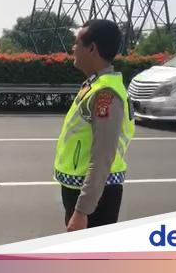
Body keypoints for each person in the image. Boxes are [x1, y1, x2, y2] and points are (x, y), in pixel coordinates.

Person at [54, 19, 135, 232]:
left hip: (96, 197)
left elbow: (102, 156)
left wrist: (82, 211)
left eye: (77, 43)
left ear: (92, 49)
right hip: (83, 190)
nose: (73, 48)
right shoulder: (94, 84)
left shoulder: (105, 94)